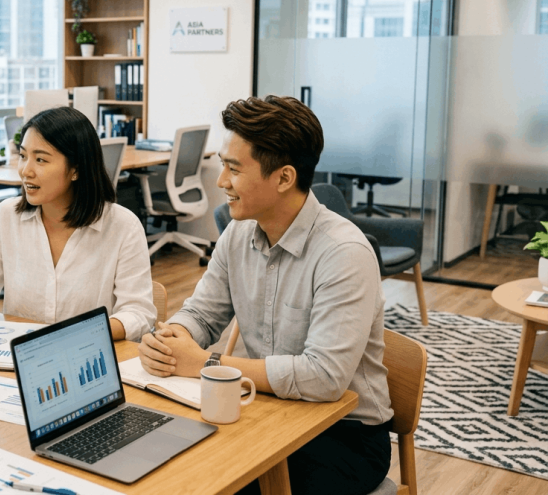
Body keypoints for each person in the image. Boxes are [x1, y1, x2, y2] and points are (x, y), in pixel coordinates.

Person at [138, 96, 393, 495]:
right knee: (160, 459)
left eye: (234, 168)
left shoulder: (344, 253)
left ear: (284, 178)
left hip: (344, 434)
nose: (221, 181)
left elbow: (325, 378)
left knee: (216, 483)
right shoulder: (237, 234)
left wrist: (207, 361)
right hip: (267, 409)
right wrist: (173, 339)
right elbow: (203, 315)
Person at [0, 107, 155, 341]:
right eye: (23, 156)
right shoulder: (6, 216)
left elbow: (139, 314)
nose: (26, 171)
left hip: (88, 356)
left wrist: (78, 333)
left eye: (40, 160)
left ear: (76, 169)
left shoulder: (122, 226)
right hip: (19, 358)